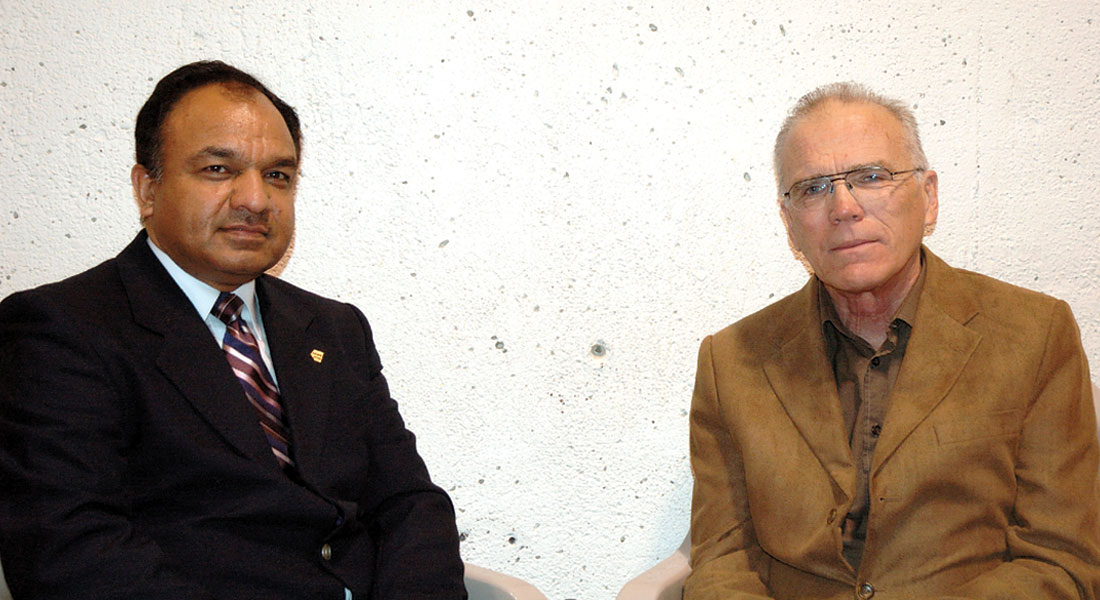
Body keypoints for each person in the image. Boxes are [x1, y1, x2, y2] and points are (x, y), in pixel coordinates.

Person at [0, 60, 466, 599]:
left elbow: (410, 503)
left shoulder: (335, 329)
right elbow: (70, 552)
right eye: (219, 169)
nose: (255, 200)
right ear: (147, 190)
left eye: (278, 175)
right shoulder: (60, 330)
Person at [685, 82, 1100, 598]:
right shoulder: (731, 362)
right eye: (813, 188)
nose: (844, 207)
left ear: (929, 198)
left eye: (871, 176)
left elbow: (1061, 559)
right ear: (790, 225)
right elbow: (722, 561)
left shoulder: (1034, 334)